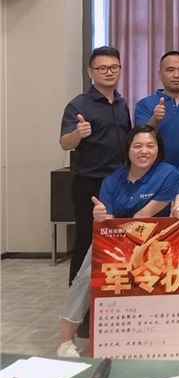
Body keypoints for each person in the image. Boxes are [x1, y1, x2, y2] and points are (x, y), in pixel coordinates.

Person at [57, 125, 179, 357]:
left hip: (154, 245)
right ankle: (66, 339)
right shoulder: (112, 180)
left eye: (150, 146)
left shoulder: (169, 174)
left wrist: (115, 223)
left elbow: (143, 216)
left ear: (158, 149)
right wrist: (101, 217)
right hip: (116, 241)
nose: (144, 151)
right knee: (86, 274)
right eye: (137, 146)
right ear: (128, 150)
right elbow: (107, 221)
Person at [59, 46, 132, 282]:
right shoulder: (79, 105)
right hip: (90, 183)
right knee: (86, 240)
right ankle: (78, 298)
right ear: (91, 72)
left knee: (118, 239)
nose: (109, 72)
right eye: (102, 68)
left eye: (114, 67)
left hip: (120, 182)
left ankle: (109, 291)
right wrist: (78, 133)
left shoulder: (122, 103)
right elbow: (65, 143)